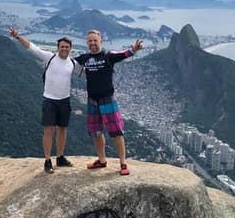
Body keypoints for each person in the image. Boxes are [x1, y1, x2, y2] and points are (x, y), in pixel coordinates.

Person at [9, 27, 82, 173]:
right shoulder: (49, 57)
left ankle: (60, 157)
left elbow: (89, 72)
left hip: (65, 100)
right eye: (62, 47)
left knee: (62, 130)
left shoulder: (73, 63)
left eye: (67, 47)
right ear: (58, 48)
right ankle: (48, 160)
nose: (64, 49)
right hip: (49, 100)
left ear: (70, 49)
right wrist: (18, 37)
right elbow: (31, 47)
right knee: (48, 131)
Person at [75, 29, 143, 176]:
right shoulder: (84, 58)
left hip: (107, 99)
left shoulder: (108, 56)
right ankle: (102, 160)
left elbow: (123, 54)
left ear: (101, 42)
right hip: (92, 99)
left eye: (95, 40)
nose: (93, 43)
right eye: (90, 41)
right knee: (96, 132)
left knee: (117, 132)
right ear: (87, 43)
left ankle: (123, 163)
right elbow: (66, 62)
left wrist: (133, 50)